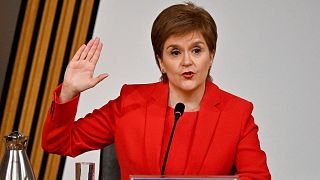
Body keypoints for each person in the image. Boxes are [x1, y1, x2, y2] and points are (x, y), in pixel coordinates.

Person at [42, 2, 271, 180]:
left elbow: (258, 177)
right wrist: (69, 93)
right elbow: (60, 142)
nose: (187, 62)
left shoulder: (237, 113)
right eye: (174, 52)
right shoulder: (130, 102)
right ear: (160, 61)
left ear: (211, 56)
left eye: (196, 50)